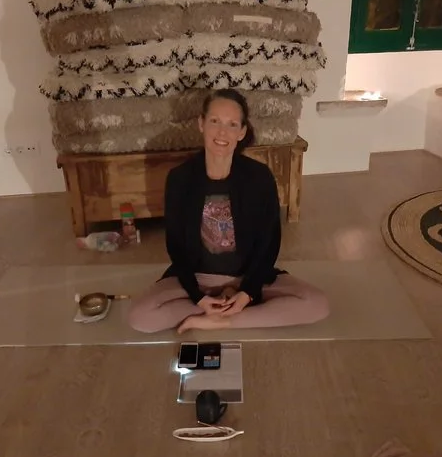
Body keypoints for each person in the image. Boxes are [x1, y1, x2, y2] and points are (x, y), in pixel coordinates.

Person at [127, 88, 330, 334]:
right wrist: (198, 297)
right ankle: (228, 311)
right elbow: (176, 246)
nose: (222, 132)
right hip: (198, 278)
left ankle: (219, 320)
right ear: (201, 124)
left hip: (248, 276)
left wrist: (247, 292)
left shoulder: (259, 177)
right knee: (140, 316)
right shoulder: (180, 178)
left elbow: (269, 243)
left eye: (232, 124)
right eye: (215, 121)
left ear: (241, 132)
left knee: (317, 304)